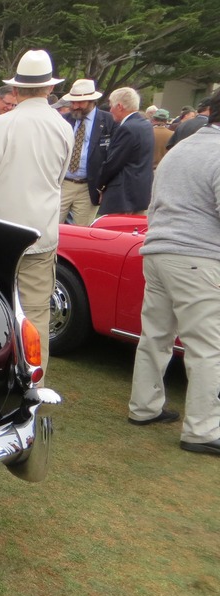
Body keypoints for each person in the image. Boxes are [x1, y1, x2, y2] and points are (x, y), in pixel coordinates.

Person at [0, 50, 73, 373]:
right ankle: (32, 386)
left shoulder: (3, 125)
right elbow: (59, 176)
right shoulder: (63, 128)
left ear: (17, 90)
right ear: (49, 89)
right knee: (36, 313)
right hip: (40, 236)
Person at [127, 89, 220, 456]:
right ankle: (202, 429)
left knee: (155, 336)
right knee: (207, 347)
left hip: (159, 250)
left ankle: (144, 407)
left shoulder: (183, 147)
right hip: (198, 256)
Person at [58, 79, 115, 226]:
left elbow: (113, 156)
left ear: (92, 101)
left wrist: (103, 186)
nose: (75, 106)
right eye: (73, 102)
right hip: (63, 183)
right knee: (51, 227)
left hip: (88, 187)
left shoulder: (108, 121)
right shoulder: (64, 120)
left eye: (80, 103)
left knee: (82, 232)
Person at [96, 87, 154, 215]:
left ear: (120, 106)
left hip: (123, 196)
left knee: (114, 233)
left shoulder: (127, 128)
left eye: (111, 106)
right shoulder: (145, 125)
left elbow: (114, 163)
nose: (110, 110)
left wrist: (100, 185)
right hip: (140, 193)